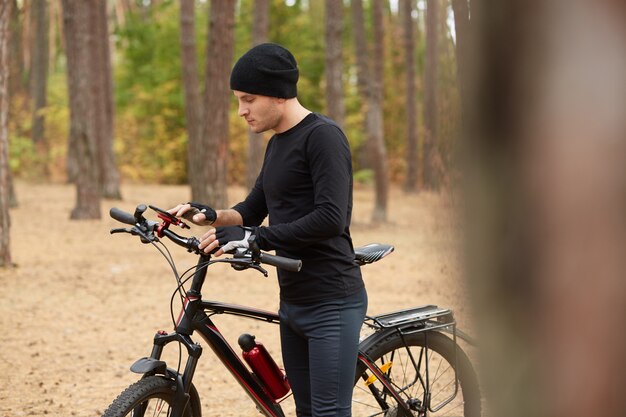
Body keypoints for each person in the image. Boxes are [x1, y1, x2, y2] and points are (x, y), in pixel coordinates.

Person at [169, 43, 367, 417]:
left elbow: (331, 218)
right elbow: (251, 211)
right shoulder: (277, 144)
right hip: (292, 301)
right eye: (238, 101)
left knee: (328, 413)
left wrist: (256, 238)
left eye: (248, 99)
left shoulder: (323, 136)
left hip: (332, 302)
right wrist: (210, 215)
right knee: (306, 412)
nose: (241, 111)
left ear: (278, 94)